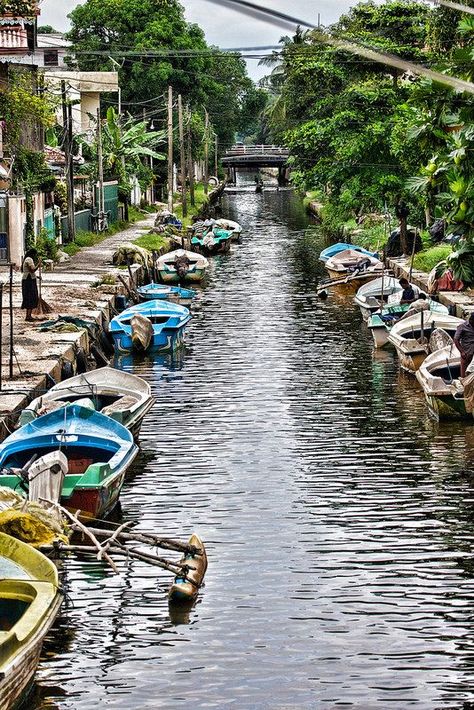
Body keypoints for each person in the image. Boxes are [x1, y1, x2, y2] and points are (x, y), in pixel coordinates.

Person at [21, 248, 40, 322]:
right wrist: (39, 264)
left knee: (30, 297)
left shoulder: (27, 259)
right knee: (30, 297)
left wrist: (37, 276)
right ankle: (28, 316)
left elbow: (30, 272)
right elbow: (32, 270)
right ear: (33, 254)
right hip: (29, 282)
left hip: (29, 280)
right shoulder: (29, 260)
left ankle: (29, 315)